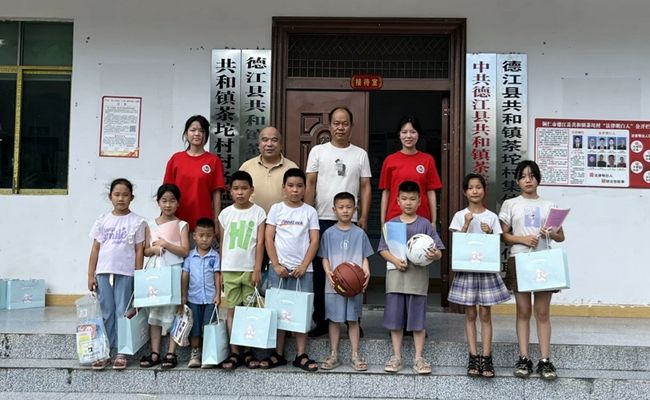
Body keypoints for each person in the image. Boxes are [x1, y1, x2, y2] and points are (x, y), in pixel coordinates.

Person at [305, 106, 372, 337]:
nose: (340, 127)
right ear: (330, 125)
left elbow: (365, 186)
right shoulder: (318, 151)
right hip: (322, 219)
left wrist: (363, 216)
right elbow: (310, 183)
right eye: (336, 123)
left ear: (351, 126)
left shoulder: (360, 154)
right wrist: (308, 216)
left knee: (353, 271)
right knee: (322, 273)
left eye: (344, 123)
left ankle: (354, 320)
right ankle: (322, 320)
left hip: (350, 222)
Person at [499, 160, 565, 380]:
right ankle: (524, 358)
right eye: (523, 176)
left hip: (543, 260)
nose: (528, 180)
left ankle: (545, 360)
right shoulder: (510, 204)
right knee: (524, 311)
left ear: (538, 179)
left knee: (543, 312)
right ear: (517, 180)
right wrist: (523, 239)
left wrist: (551, 232)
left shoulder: (549, 205)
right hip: (519, 259)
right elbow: (504, 235)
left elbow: (560, 236)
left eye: (532, 176)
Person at [378, 180, 444, 375]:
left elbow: (438, 252)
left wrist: (435, 255)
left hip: (417, 280)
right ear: (397, 201)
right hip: (396, 278)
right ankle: (396, 357)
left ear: (419, 201)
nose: (408, 202)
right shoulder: (391, 224)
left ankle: (419, 358)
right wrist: (395, 261)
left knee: (417, 320)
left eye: (412, 199)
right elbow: (382, 249)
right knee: (395, 319)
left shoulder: (425, 224)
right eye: (404, 199)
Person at [448, 173, 510, 378]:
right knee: (470, 315)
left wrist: (490, 232)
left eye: (478, 187)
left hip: (485, 270)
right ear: (465, 192)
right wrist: (466, 224)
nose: (475, 191)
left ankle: (487, 356)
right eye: (470, 187)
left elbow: (497, 244)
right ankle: (473, 356)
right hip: (467, 270)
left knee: (485, 314)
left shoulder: (491, 217)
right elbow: (457, 243)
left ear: (484, 190)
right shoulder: (460, 215)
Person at [261, 168, 320, 371]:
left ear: (305, 189)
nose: (295, 190)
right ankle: (278, 354)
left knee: (302, 312)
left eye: (299, 186)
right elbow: (268, 238)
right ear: (283, 188)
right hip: (279, 270)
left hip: (303, 271)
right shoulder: (276, 209)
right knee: (278, 312)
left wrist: (304, 265)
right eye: (291, 186)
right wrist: (276, 264)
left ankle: (300, 354)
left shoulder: (310, 211)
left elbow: (314, 241)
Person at [87, 178, 146, 370]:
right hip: (103, 271)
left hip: (126, 271)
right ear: (110, 196)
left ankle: (122, 351)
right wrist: (90, 274)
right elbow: (95, 248)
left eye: (125, 195)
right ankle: (103, 351)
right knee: (106, 312)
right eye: (117, 194)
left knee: (123, 311)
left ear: (132, 198)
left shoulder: (138, 222)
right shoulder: (102, 220)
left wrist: (138, 275)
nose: (121, 198)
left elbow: (139, 250)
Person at [319, 191, 374, 372]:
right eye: (341, 207)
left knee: (353, 320)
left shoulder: (360, 233)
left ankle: (355, 355)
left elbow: (365, 257)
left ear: (355, 209)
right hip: (333, 285)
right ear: (334, 210)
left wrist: (366, 272)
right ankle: (333, 354)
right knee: (334, 320)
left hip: (354, 286)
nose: (345, 211)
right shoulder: (328, 233)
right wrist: (328, 272)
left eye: (349, 207)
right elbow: (325, 257)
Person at [218, 170, 266, 370]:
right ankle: (234, 351)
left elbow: (260, 243)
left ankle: (248, 350)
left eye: (244, 188)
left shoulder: (259, 212)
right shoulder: (225, 214)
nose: (240, 192)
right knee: (232, 310)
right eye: (236, 189)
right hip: (230, 268)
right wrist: (221, 271)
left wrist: (257, 268)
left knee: (249, 311)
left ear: (251, 190)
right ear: (230, 191)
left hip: (249, 269)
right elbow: (222, 242)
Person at [140, 184, 190, 369]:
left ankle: (171, 352)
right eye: (164, 201)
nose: (168, 205)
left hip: (173, 270)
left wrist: (166, 244)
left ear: (178, 203)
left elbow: (184, 251)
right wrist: (154, 249)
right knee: (154, 310)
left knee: (174, 309)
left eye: (172, 201)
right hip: (155, 271)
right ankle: (155, 352)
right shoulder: (150, 224)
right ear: (158, 202)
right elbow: (145, 250)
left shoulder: (182, 225)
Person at [163, 115, 226, 233]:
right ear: (186, 133)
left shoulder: (213, 161)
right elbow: (166, 192)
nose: (197, 134)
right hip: (177, 221)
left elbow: (216, 194)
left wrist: (216, 221)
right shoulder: (176, 159)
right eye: (193, 130)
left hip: (203, 224)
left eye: (201, 131)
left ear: (206, 134)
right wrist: (164, 219)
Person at [379, 115, 442, 229]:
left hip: (421, 218)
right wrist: (383, 221)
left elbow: (431, 191)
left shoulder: (427, 160)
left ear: (418, 134)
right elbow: (386, 192)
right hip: (395, 219)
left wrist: (433, 221)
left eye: (413, 132)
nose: (408, 136)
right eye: (404, 132)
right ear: (399, 135)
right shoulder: (390, 160)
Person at [180, 218, 221, 368]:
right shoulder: (189, 256)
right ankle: (195, 354)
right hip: (193, 298)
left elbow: (217, 276)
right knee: (195, 327)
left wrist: (218, 295)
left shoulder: (215, 256)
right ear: (194, 236)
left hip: (210, 299)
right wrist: (183, 295)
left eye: (208, 236)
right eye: (201, 235)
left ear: (213, 236)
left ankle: (209, 354)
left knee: (208, 327)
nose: (204, 239)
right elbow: (185, 275)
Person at [239, 126, 299, 214]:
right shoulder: (247, 167)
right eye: (265, 140)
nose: (269, 144)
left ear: (281, 145)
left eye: (274, 140)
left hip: (284, 219)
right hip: (252, 219)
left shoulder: (292, 167)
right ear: (259, 145)